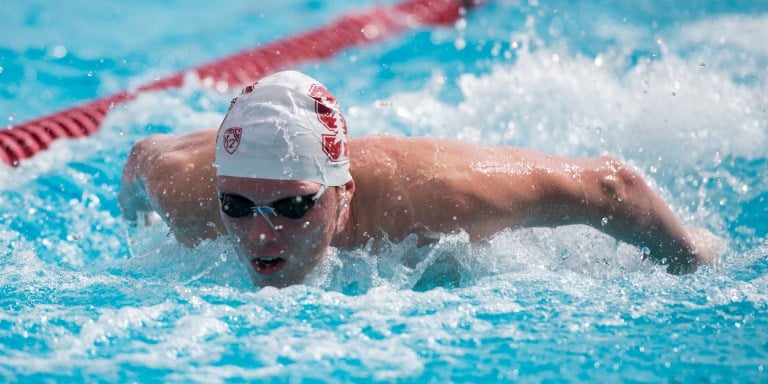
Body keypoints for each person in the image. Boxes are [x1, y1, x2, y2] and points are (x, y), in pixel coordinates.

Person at [119, 70, 721, 287]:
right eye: (239, 206)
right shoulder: (188, 191)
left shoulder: (434, 201)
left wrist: (688, 256)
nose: (259, 234)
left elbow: (612, 186)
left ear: (342, 192)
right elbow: (140, 157)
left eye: (294, 207)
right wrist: (137, 226)